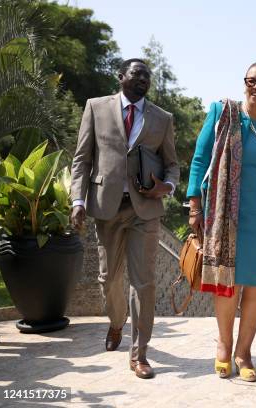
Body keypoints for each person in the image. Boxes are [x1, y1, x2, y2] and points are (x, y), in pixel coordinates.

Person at [70, 58, 180, 379]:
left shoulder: (162, 118)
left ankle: (139, 353)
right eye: (137, 73)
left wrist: (167, 185)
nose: (144, 78)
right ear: (121, 77)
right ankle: (117, 323)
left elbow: (171, 164)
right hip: (106, 206)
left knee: (143, 282)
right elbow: (82, 158)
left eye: (148, 75)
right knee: (109, 280)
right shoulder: (96, 107)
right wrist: (78, 200)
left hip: (144, 209)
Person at [187, 62, 256, 382]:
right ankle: (224, 343)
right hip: (224, 210)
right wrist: (194, 203)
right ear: (244, 83)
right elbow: (199, 159)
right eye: (250, 81)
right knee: (228, 281)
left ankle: (244, 351)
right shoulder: (223, 113)